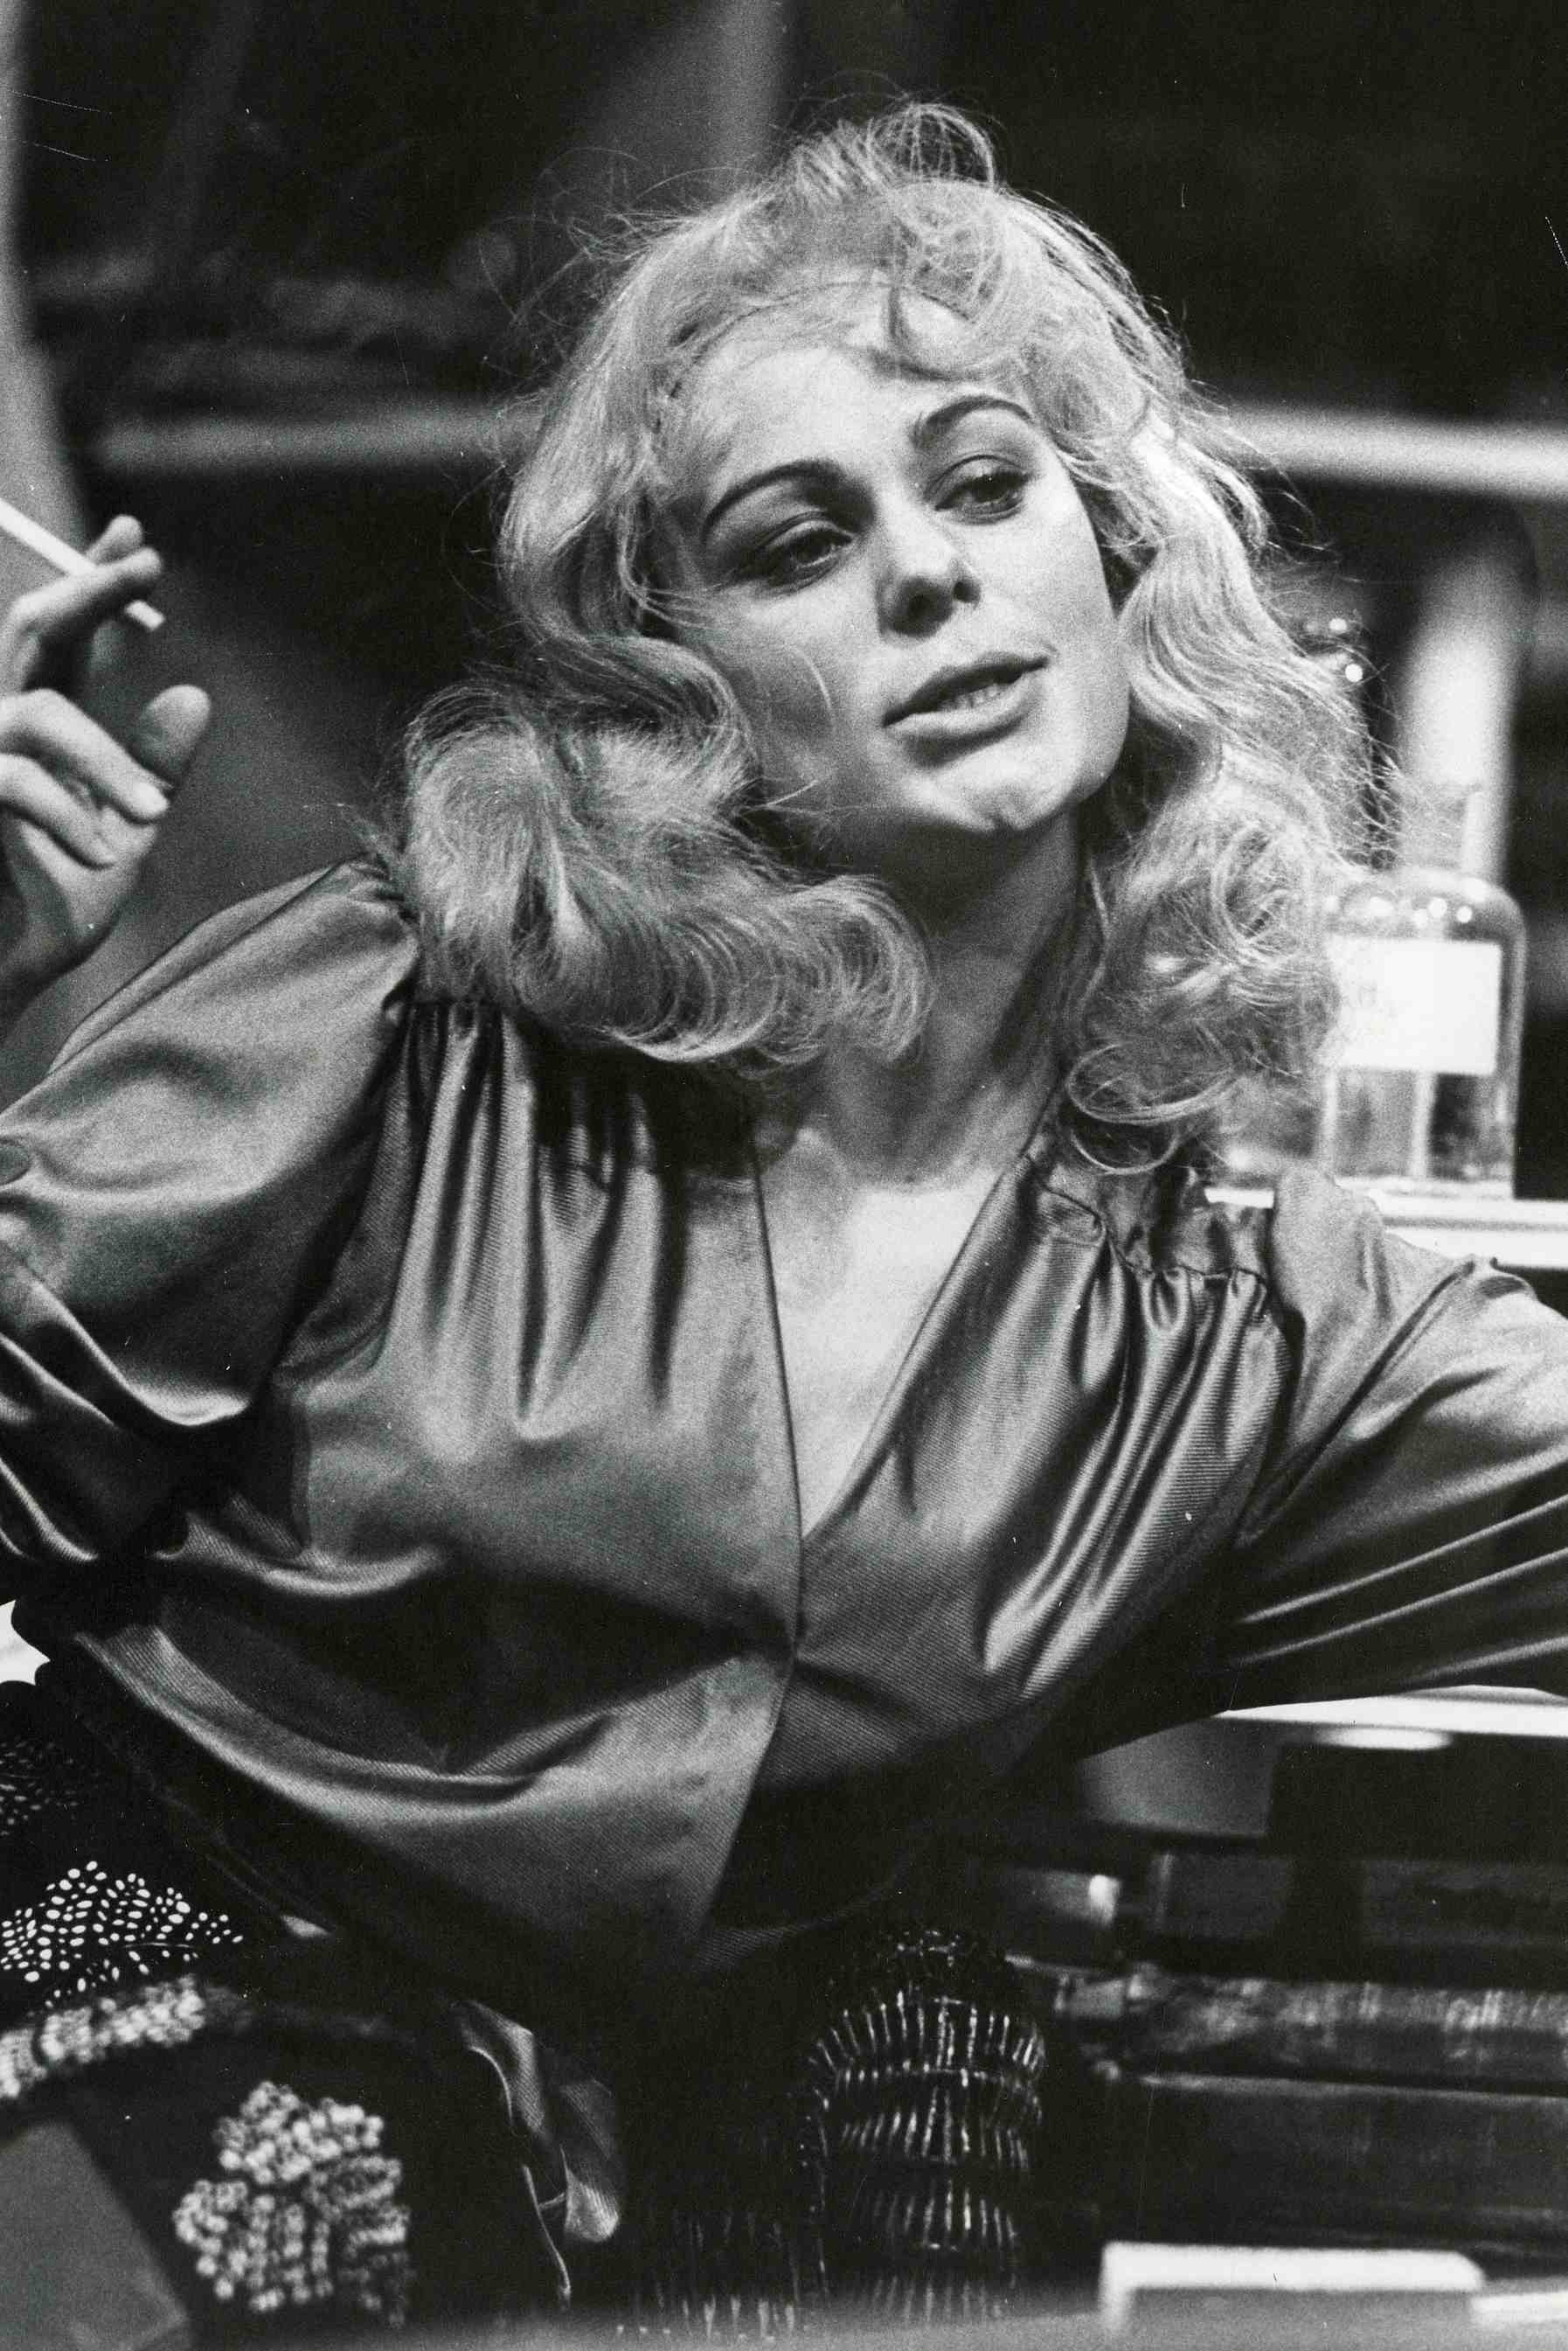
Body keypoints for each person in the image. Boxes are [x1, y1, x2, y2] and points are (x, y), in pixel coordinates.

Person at [0, 102, 1565, 2336]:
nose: (927, 576)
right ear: (685, 684)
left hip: (683, 2120)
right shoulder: (409, 1012)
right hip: (141, 1964)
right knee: (309, 2211)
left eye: (986, 486)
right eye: (801, 540)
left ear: (1117, 559)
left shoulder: (1258, 1319)